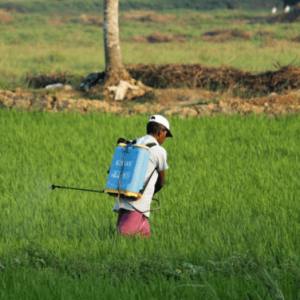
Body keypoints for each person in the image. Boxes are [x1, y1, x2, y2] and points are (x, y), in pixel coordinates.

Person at [113, 115, 173, 237]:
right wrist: (150, 195)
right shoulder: (158, 150)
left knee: (144, 239)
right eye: (165, 135)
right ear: (160, 132)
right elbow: (161, 182)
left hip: (124, 198)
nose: (164, 139)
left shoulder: (133, 143)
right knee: (123, 237)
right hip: (138, 204)